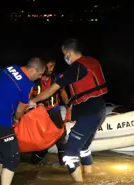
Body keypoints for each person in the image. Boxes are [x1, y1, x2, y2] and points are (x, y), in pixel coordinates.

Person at [29, 39, 108, 182]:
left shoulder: (76, 68)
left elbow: (52, 90)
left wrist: (32, 102)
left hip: (90, 114)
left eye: (65, 54)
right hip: (100, 111)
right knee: (83, 147)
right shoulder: (92, 61)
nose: (65, 58)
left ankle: (80, 183)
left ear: (70, 53)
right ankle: (90, 177)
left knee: (69, 153)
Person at [0, 57, 45, 185]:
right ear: (32, 70)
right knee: (13, 158)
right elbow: (20, 111)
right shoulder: (26, 85)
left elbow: (7, 89)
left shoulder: (11, 68)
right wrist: (16, 118)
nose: (39, 78)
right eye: (39, 74)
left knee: (6, 154)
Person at [30, 58, 69, 165]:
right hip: (37, 112)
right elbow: (27, 96)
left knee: (60, 135)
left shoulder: (57, 78)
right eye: (49, 66)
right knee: (41, 137)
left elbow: (63, 93)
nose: (51, 69)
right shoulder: (34, 78)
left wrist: (69, 107)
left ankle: (64, 162)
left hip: (53, 110)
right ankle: (36, 160)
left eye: (53, 66)